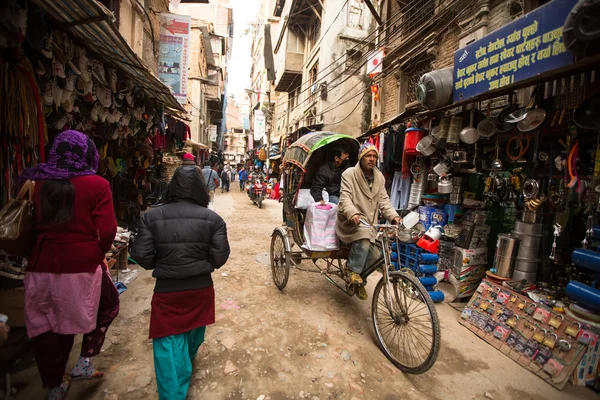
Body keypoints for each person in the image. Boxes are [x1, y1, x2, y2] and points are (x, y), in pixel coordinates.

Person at [20, 130, 120, 400]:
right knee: (108, 304)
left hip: (39, 265)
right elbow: (109, 230)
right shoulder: (97, 184)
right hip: (82, 266)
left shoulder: (36, 182)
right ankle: (84, 362)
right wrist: (95, 252)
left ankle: (53, 387)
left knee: (47, 327)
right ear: (88, 154)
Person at [131, 165, 230, 400]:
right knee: (193, 334)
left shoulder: (151, 217)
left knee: (168, 345)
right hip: (200, 289)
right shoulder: (213, 219)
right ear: (200, 187)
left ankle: (173, 392)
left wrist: (163, 263)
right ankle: (185, 365)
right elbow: (220, 257)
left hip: (167, 291)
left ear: (172, 187)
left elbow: (141, 256)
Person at [336, 143, 401, 300]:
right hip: (351, 222)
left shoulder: (379, 177)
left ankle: (359, 282)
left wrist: (394, 216)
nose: (372, 159)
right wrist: (352, 213)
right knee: (364, 239)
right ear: (361, 157)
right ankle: (352, 270)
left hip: (369, 224)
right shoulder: (349, 174)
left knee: (376, 256)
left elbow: (384, 201)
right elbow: (345, 198)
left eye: (374, 156)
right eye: (368, 156)